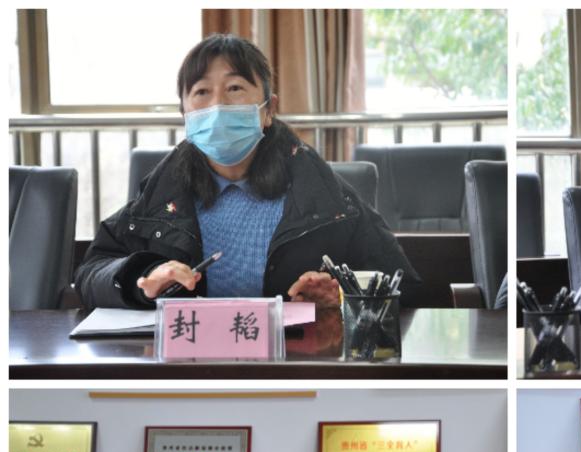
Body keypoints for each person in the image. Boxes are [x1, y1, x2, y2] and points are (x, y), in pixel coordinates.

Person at [76, 34, 415, 309]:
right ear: (185, 115)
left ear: (269, 110)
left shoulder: (322, 192)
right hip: (188, 362)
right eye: (201, 92)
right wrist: (143, 279)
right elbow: (91, 272)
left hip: (292, 365)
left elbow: (402, 284)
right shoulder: (164, 191)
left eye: (235, 88)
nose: (217, 105)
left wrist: (341, 297)